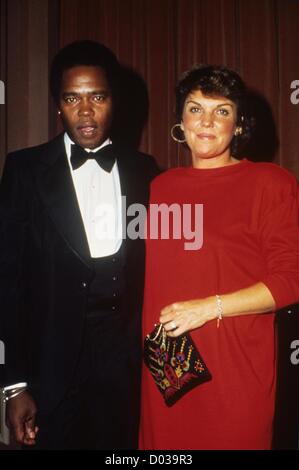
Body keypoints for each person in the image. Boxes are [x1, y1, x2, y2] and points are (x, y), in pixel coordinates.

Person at [0, 40, 158, 449]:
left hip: (124, 367)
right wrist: (15, 386)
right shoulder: (24, 170)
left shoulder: (145, 171)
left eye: (97, 97)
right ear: (58, 105)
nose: (85, 112)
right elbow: (9, 282)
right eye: (73, 98)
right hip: (50, 367)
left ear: (114, 102)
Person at [139, 65, 299, 450]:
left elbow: (292, 279)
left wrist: (208, 308)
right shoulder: (160, 187)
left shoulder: (270, 182)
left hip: (235, 372)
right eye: (195, 109)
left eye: (222, 111)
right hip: (167, 371)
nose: (207, 121)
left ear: (239, 125)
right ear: (180, 120)